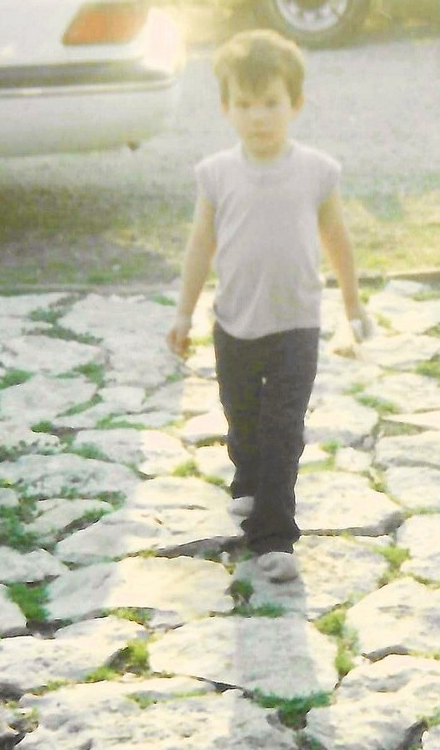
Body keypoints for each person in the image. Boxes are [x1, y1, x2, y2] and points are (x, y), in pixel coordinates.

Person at [166, 29, 373, 583]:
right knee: (241, 416)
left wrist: (352, 304)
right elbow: (200, 247)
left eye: (271, 103)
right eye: (245, 105)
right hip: (234, 322)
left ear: (295, 104)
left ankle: (275, 534)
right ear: (226, 109)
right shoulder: (216, 175)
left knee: (283, 428)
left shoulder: (317, 172)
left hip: (295, 323)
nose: (258, 117)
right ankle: (248, 482)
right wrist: (183, 314)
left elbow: (338, 241)